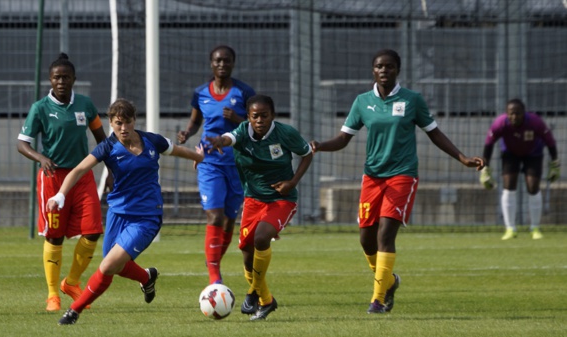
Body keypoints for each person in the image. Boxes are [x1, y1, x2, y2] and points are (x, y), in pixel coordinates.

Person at [310, 49, 485, 314]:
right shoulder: (362, 102)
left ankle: (378, 300)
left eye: (389, 66)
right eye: (379, 66)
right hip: (372, 177)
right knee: (365, 238)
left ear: (397, 70)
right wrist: (320, 145)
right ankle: (390, 281)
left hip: (402, 175)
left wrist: (461, 157)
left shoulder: (412, 100)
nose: (384, 70)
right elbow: (343, 138)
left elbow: (434, 133)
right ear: (373, 70)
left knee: (385, 233)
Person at [50, 98, 204, 325]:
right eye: (118, 123)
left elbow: (176, 150)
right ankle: (146, 277)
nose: (123, 128)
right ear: (111, 123)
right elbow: (80, 169)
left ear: (134, 121)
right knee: (116, 266)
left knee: (108, 265)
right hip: (117, 214)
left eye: (127, 122)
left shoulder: (152, 141)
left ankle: (73, 311)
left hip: (146, 218)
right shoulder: (108, 148)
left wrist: (198, 157)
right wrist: (60, 195)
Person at [207, 94, 313, 321]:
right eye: (255, 116)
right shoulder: (243, 132)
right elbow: (229, 138)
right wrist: (219, 142)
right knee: (247, 254)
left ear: (272, 115)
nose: (260, 120)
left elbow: (307, 153)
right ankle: (266, 301)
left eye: (265, 115)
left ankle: (253, 292)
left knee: (261, 238)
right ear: (248, 117)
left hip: (282, 200)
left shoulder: (285, 133)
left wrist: (292, 182)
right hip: (253, 201)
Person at [17, 53, 108, 312]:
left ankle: (72, 282)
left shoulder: (86, 105)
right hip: (52, 179)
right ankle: (52, 294)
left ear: (74, 79)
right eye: (57, 77)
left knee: (92, 231)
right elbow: (22, 143)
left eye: (66, 77)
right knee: (55, 238)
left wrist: (111, 170)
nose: (61, 81)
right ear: (50, 79)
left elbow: (103, 141)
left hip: (82, 175)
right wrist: (40, 157)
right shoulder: (40, 108)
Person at [177, 45, 256, 285]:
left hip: (237, 164)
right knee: (214, 216)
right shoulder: (201, 92)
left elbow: (257, 125)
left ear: (233, 63)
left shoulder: (243, 92)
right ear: (211, 63)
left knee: (229, 220)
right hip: (210, 161)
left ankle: (214, 262)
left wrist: (238, 119)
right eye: (218, 61)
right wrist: (187, 134)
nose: (222, 64)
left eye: (227, 61)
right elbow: (195, 121)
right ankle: (215, 279)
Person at [479, 99, 560, 240]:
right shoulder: (500, 123)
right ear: (507, 113)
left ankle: (535, 227)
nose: (514, 117)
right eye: (511, 113)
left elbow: (550, 141)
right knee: (509, 186)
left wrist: (555, 164)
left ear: (524, 113)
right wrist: (485, 169)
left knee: (533, 187)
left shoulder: (535, 122)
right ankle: (510, 229)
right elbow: (489, 145)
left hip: (533, 153)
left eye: (518, 113)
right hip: (510, 154)